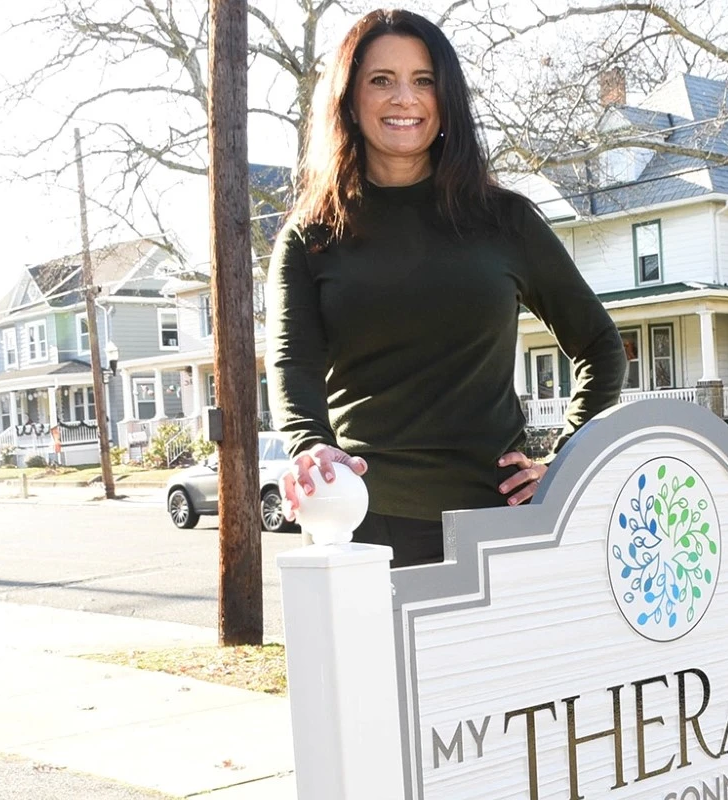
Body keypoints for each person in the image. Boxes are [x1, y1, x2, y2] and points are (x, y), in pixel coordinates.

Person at [266, 8, 626, 568]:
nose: (403, 98)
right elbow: (293, 365)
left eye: (423, 81)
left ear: (446, 99)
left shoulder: (504, 221)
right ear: (349, 100)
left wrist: (565, 461)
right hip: (367, 522)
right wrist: (310, 447)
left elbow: (601, 347)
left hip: (502, 522)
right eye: (380, 80)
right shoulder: (311, 236)